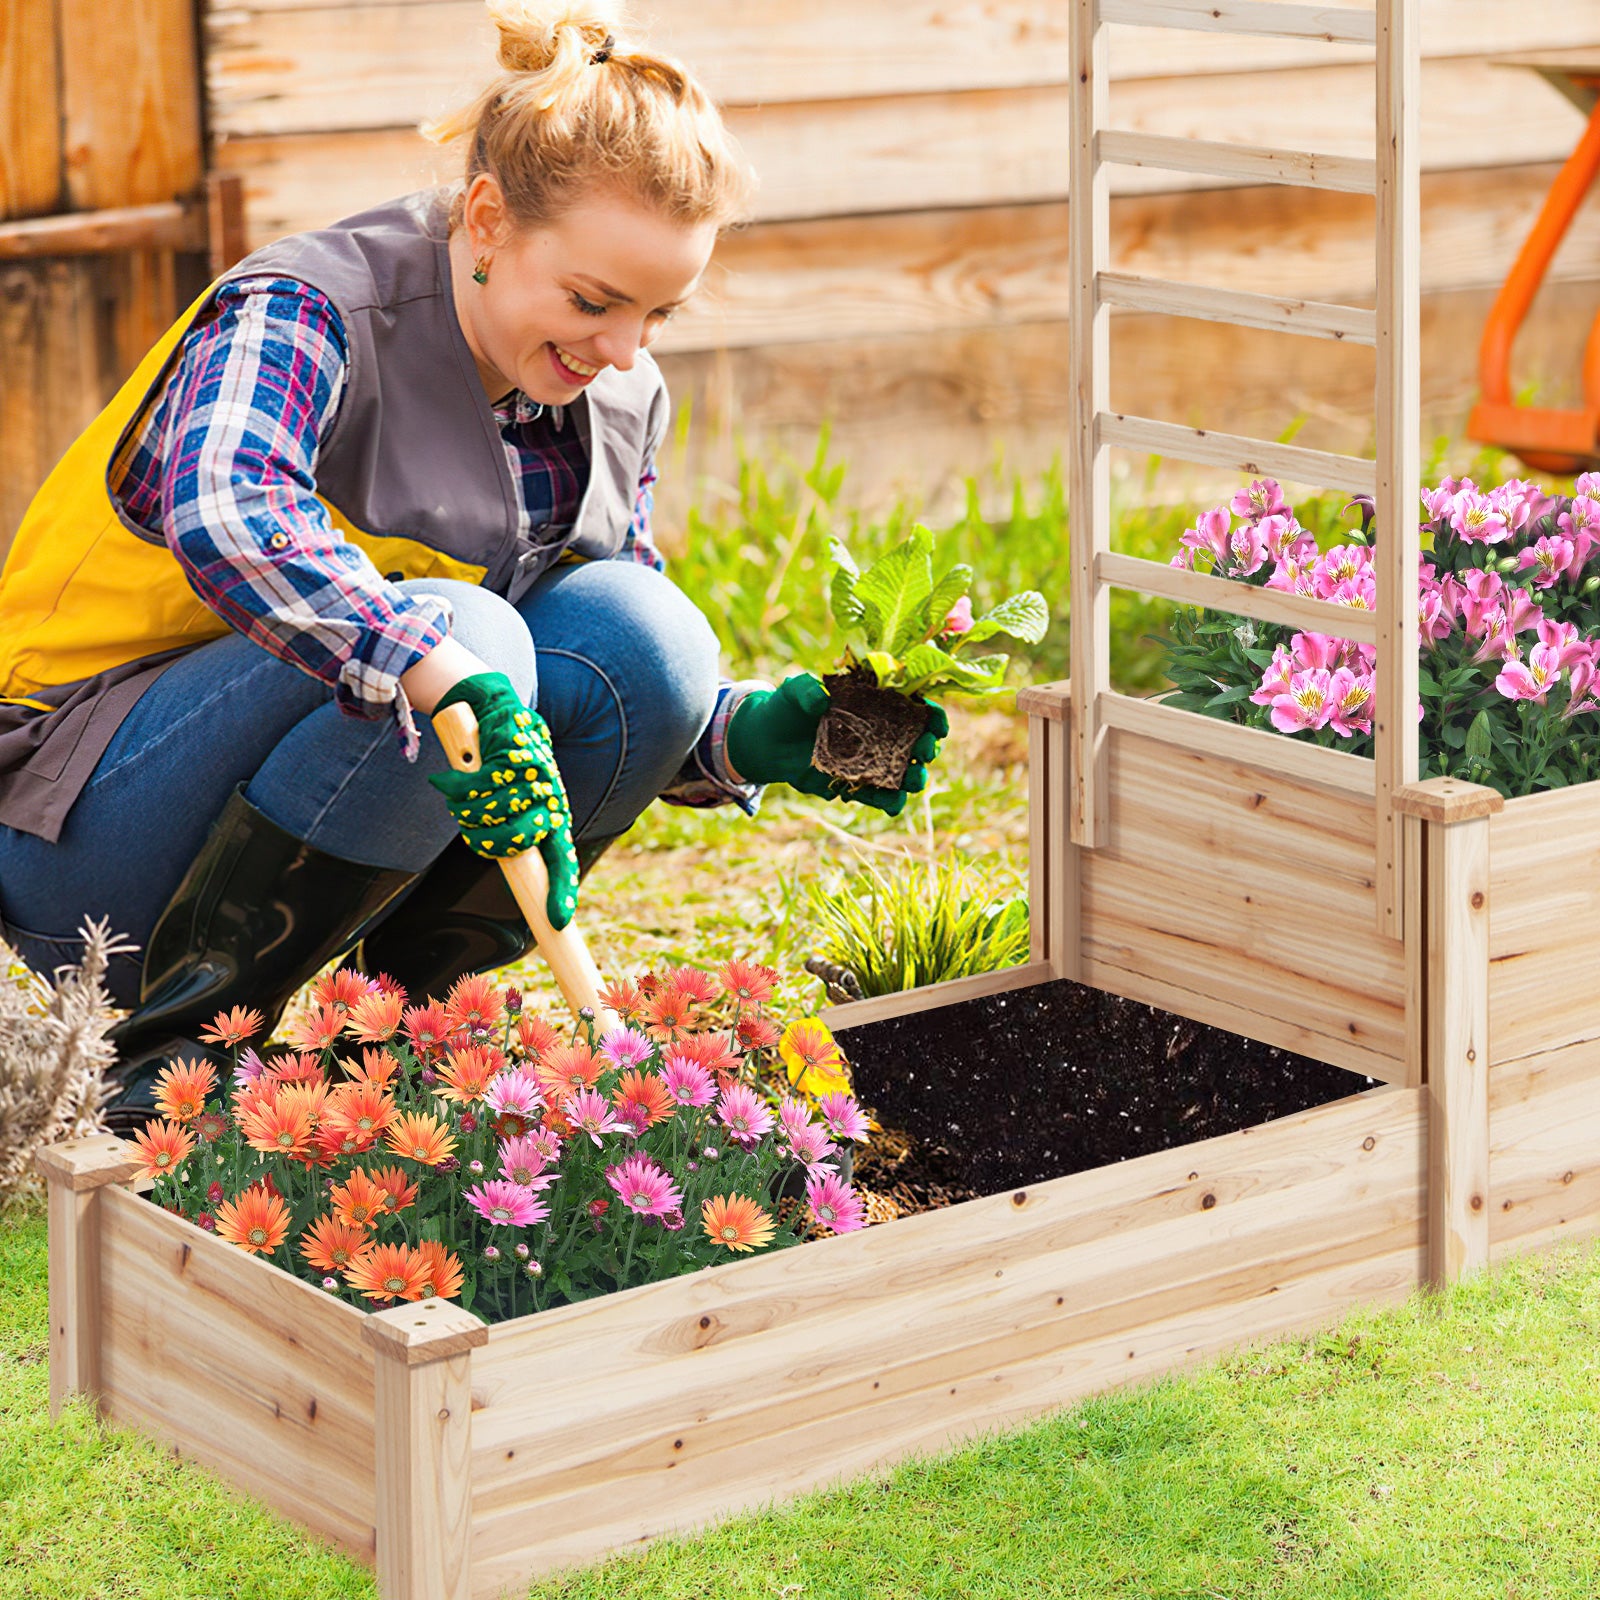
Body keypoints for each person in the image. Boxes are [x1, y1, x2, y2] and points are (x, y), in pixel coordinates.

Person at [0, 0, 946, 1124]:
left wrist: (748, 731)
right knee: (467, 637)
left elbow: (594, 677)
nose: (623, 349)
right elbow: (226, 509)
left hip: (327, 803)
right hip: (85, 826)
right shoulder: (309, 312)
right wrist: (430, 659)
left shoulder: (610, 387)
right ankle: (157, 1082)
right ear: (488, 221)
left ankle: (394, 1037)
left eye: (659, 312)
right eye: (594, 301)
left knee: (647, 633)